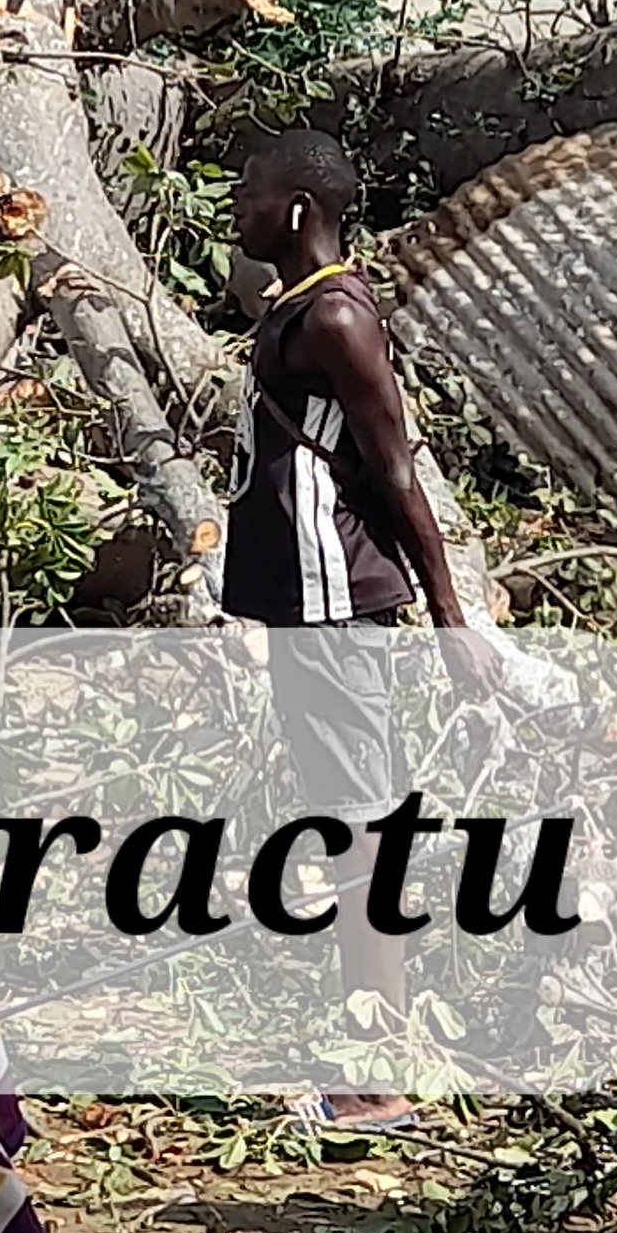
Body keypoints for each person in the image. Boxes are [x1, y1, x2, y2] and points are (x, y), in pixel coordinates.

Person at [225, 127, 502, 1135]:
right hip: (310, 609)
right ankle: (368, 1055)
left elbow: (394, 472)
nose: (237, 207)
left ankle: (376, 1079)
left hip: (335, 603)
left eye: (250, 191)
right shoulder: (302, 308)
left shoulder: (336, 318)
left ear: (297, 211)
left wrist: (451, 621)